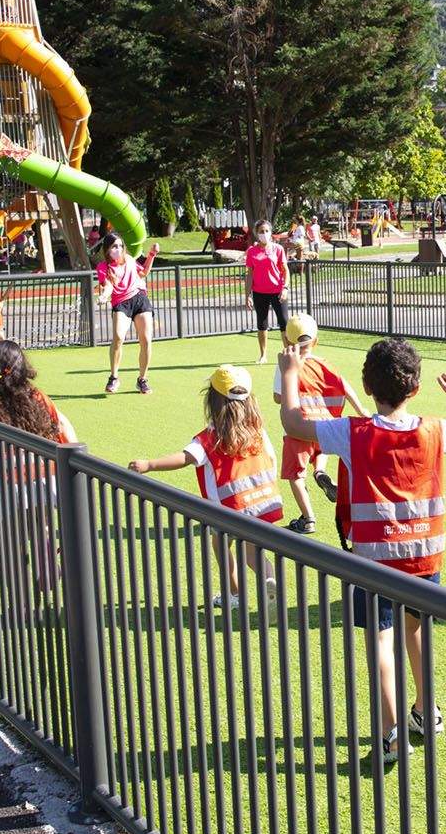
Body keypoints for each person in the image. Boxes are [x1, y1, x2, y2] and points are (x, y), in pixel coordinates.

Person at [278, 338, 446, 767]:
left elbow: (293, 422)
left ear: (367, 387)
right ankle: (426, 713)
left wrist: (289, 371)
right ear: (416, 387)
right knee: (417, 631)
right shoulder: (435, 428)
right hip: (424, 555)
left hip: (373, 559)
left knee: (380, 640)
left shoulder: (352, 431)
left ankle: (392, 735)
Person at [128, 365, 282, 614]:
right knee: (254, 554)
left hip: (229, 511)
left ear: (213, 400)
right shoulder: (258, 432)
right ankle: (268, 580)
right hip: (263, 503)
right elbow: (273, 460)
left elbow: (185, 457)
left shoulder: (209, 438)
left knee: (220, 545)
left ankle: (235, 594)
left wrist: (149, 464)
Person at [0, 340, 77, 591]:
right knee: (39, 524)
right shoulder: (36, 397)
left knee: (8, 546)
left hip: (6, 484)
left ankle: (23, 606)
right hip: (44, 478)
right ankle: (47, 569)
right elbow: (66, 430)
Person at [273, 312, 368, 534]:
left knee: (295, 474)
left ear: (287, 341)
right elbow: (344, 386)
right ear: (316, 341)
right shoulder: (325, 364)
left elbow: (279, 397)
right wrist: (361, 410)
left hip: (299, 426)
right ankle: (321, 471)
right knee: (320, 448)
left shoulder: (286, 364)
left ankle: (308, 518)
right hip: (324, 425)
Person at [95, 235, 159, 394]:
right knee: (118, 337)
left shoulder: (130, 260)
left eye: (120, 246)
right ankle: (114, 377)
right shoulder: (103, 267)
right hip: (121, 303)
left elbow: (143, 272)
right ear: (107, 250)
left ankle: (142, 380)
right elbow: (108, 285)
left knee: (146, 340)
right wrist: (104, 296)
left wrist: (151, 255)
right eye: (114, 247)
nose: (118, 249)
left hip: (140, 299)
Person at [244, 219, 290, 363]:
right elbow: (250, 274)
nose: (264, 234)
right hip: (259, 293)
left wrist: (285, 288)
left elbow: (285, 270)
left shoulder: (278, 249)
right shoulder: (252, 251)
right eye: (261, 232)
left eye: (266, 231)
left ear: (270, 232)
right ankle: (263, 355)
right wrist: (247, 295)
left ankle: (289, 355)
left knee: (284, 323)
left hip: (277, 291)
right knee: (262, 324)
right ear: (256, 234)